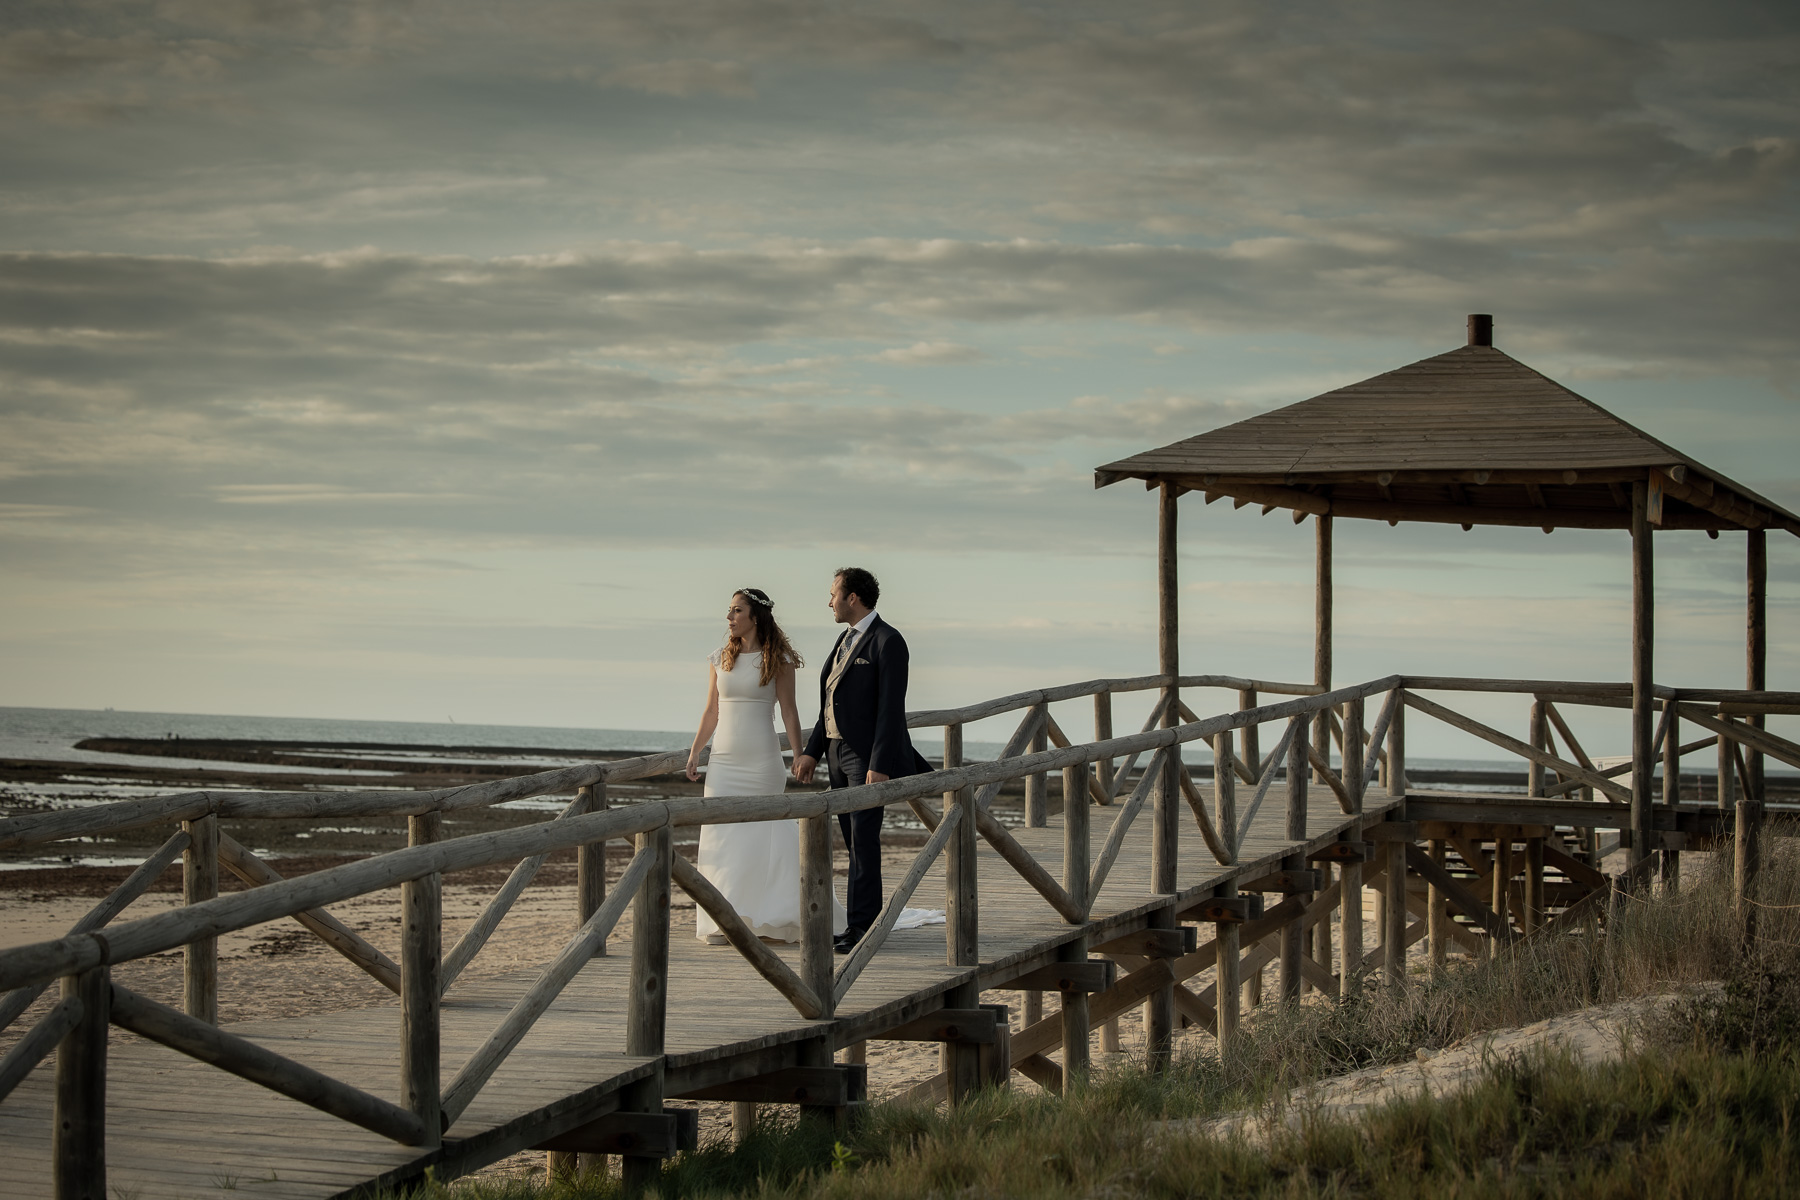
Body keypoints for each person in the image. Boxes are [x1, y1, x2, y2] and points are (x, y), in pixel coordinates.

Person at [685, 588, 845, 944]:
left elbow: (789, 710)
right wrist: (696, 751)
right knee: (723, 837)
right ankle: (725, 919)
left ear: (754, 617)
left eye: (736, 610)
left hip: (761, 761)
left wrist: (801, 755)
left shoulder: (780, 659)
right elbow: (711, 710)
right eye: (729, 610)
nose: (729, 617)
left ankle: (771, 916)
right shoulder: (719, 657)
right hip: (724, 761)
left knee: (764, 836)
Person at [793, 567, 937, 954]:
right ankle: (858, 924)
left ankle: (862, 928)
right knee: (852, 842)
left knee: (865, 840)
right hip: (837, 755)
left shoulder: (888, 641)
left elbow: (891, 709)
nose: (829, 602)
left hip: (866, 757)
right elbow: (830, 703)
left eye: (833, 594)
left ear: (853, 597)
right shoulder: (844, 639)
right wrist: (812, 751)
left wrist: (880, 762)